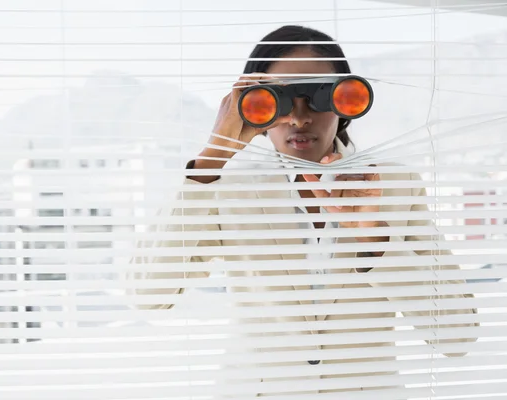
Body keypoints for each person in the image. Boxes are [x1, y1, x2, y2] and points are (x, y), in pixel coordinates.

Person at [128, 25, 477, 397]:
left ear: (345, 102)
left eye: (318, 96)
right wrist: (214, 155)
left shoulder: (395, 185)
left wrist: (375, 236)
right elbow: (149, 294)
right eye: (277, 100)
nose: (298, 118)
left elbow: (456, 334)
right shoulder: (225, 188)